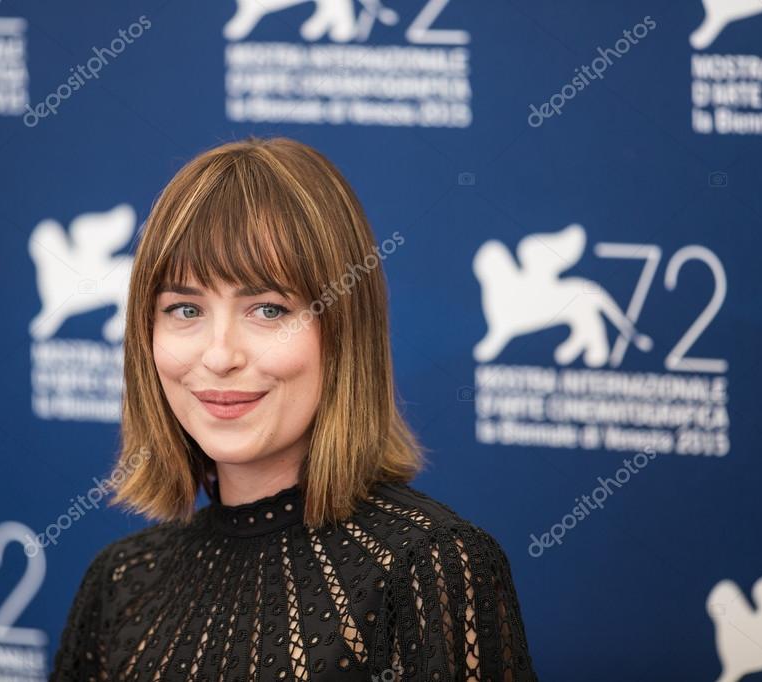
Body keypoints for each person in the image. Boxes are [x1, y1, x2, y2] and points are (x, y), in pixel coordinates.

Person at [49, 136, 538, 681]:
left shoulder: (430, 568)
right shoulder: (120, 582)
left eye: (268, 310)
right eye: (185, 309)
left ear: (344, 330)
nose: (219, 356)